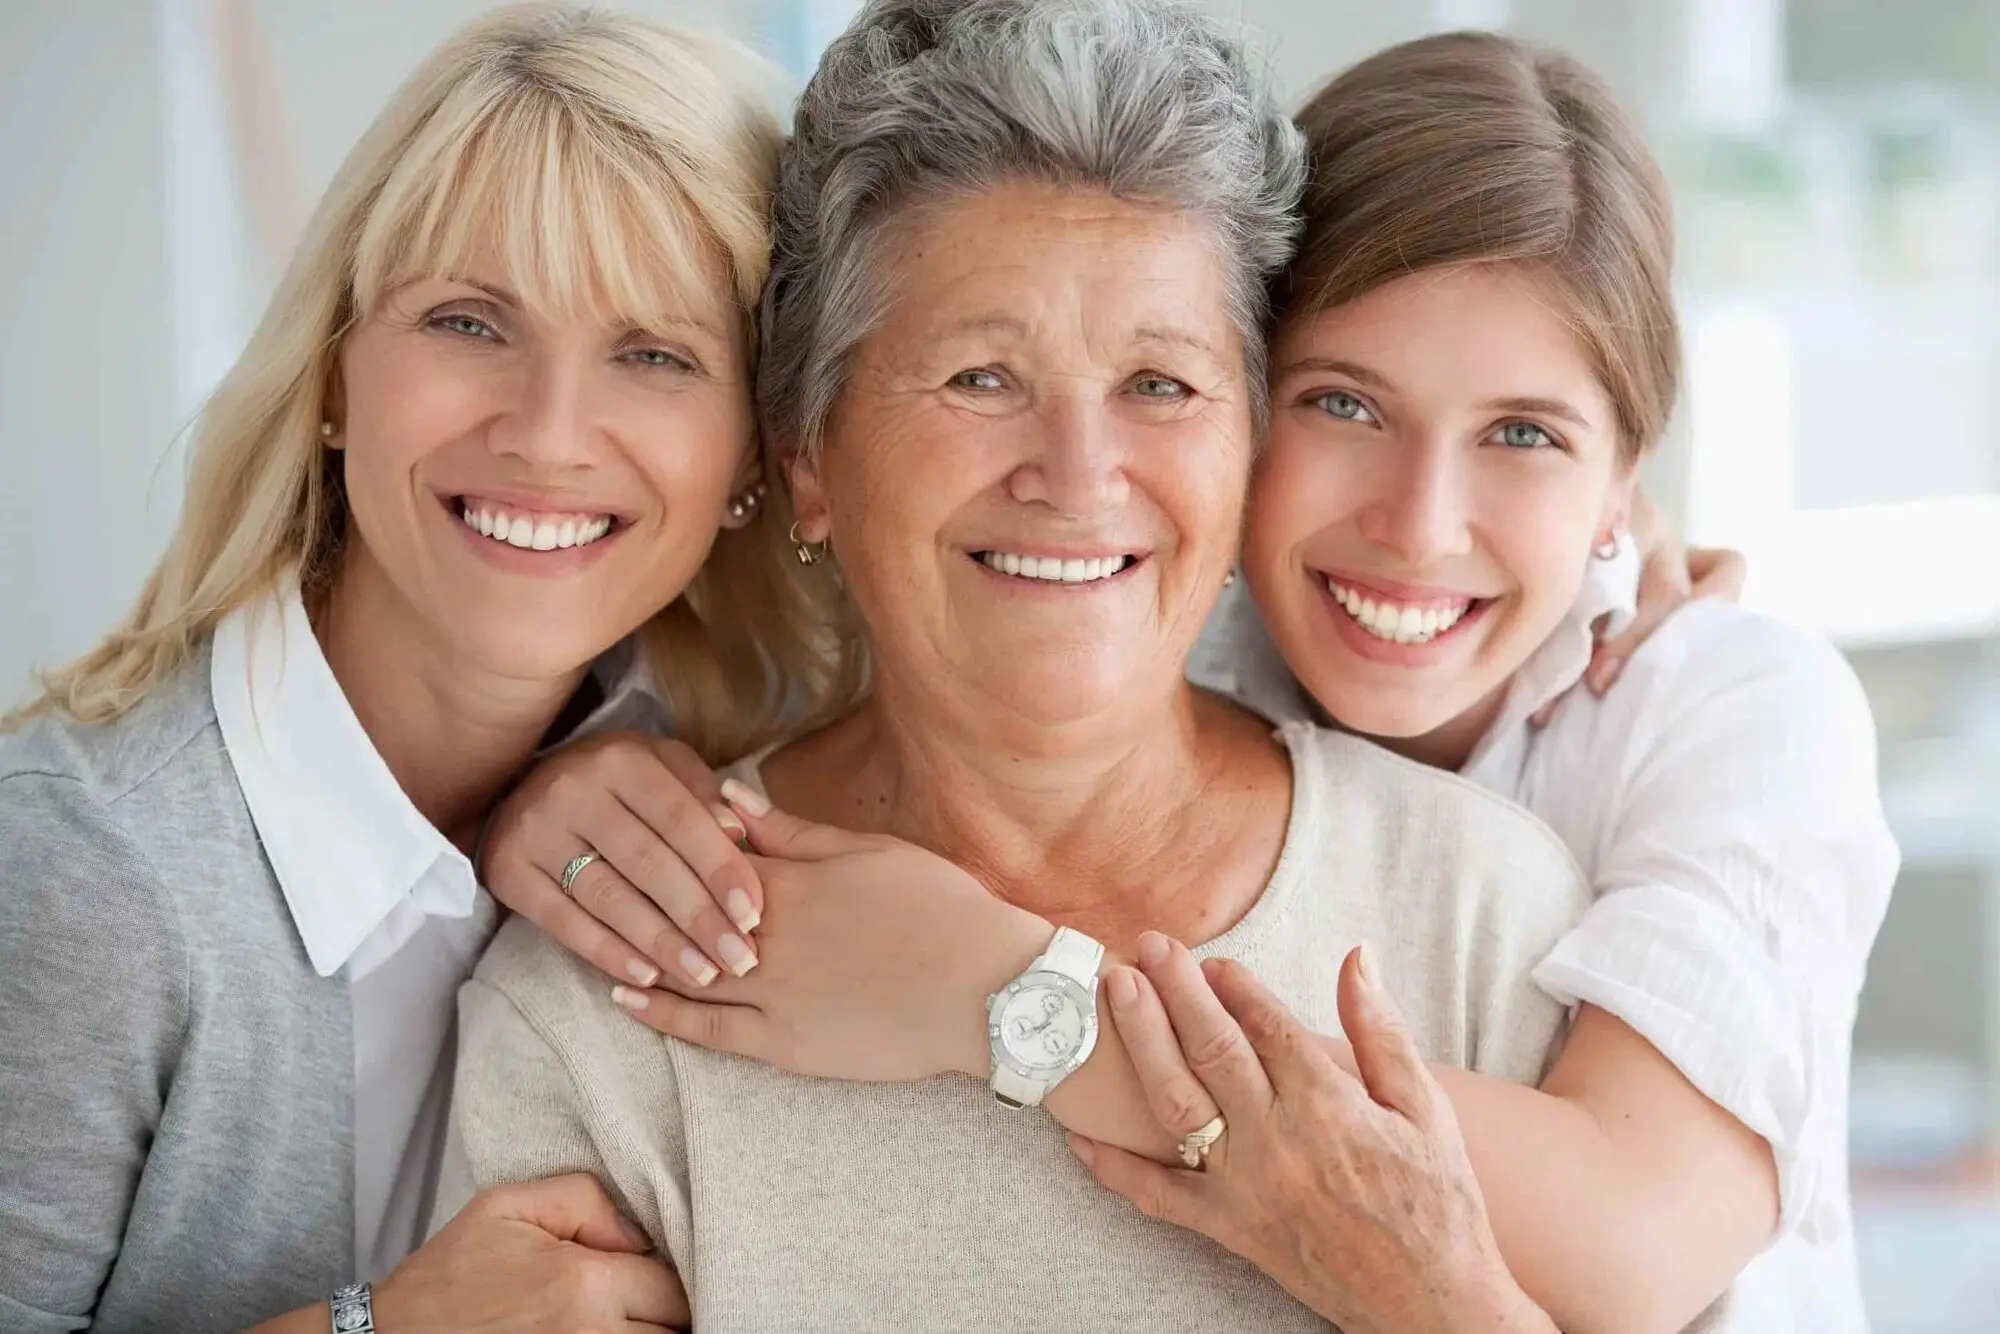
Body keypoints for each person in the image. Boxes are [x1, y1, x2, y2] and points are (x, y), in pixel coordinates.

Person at [480, 22, 1895, 1334]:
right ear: (807, 454)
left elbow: (1642, 1234)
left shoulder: (1518, 889)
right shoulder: (613, 985)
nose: (1081, 477)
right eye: (979, 376)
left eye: (1161, 384)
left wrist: (1005, 997)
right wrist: (536, 779)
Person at [0, 5, 847, 1330]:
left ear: (753, 453)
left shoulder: (759, 767)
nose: (550, 433)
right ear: (334, 371)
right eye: (468, 321)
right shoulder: (90, 871)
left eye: (655, 354)